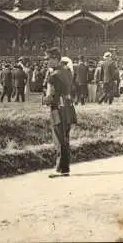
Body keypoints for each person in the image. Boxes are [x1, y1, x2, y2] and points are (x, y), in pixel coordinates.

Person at [42, 47, 77, 178]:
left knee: (58, 138)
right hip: (69, 107)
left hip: (57, 108)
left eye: (48, 59)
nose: (46, 62)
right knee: (66, 138)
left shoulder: (53, 75)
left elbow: (49, 96)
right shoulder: (67, 72)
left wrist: (45, 101)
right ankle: (65, 167)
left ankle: (59, 168)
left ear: (55, 59)